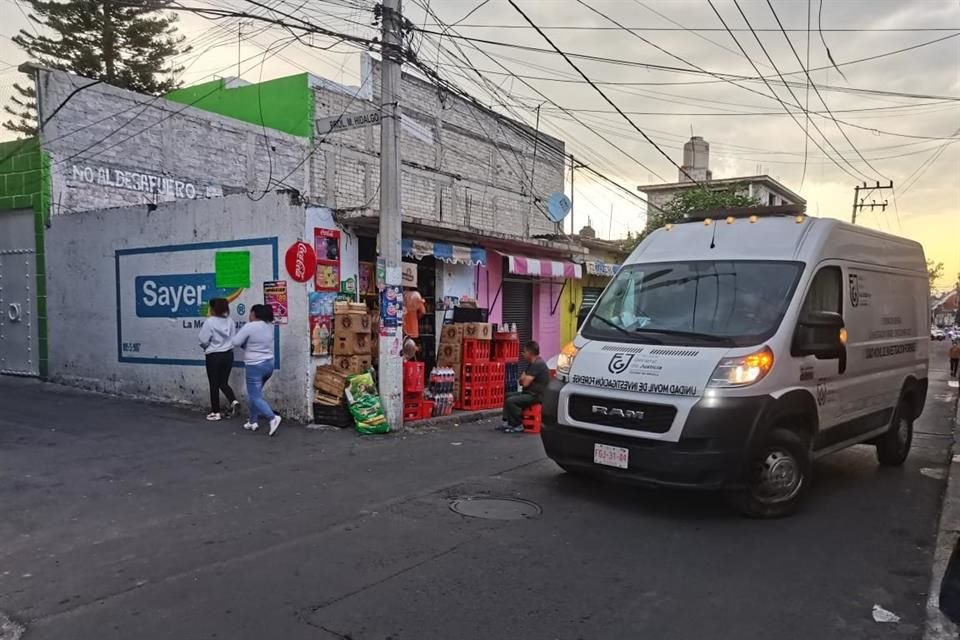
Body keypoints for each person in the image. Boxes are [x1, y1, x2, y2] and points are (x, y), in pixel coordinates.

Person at [232, 304, 282, 436]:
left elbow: (236, 342)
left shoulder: (250, 326)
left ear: (254, 314)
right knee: (256, 394)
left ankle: (272, 418)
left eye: (250, 312)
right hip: (269, 365)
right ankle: (253, 421)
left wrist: (244, 343)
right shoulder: (269, 326)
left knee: (254, 396)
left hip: (255, 365)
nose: (249, 315)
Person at [198, 298, 239, 421]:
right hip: (228, 355)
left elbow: (203, 340)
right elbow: (233, 338)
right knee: (223, 382)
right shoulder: (230, 321)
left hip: (214, 356)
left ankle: (215, 412)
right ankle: (234, 401)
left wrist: (207, 347)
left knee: (214, 384)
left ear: (213, 308)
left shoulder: (209, 322)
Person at [500, 340, 550, 434]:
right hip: (529, 392)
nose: (523, 354)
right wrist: (523, 379)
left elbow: (525, 382)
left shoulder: (537, 364)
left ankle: (517, 425)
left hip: (536, 396)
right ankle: (508, 422)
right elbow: (521, 380)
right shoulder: (532, 364)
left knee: (511, 401)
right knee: (508, 395)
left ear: (530, 353)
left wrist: (523, 379)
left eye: (524, 351)